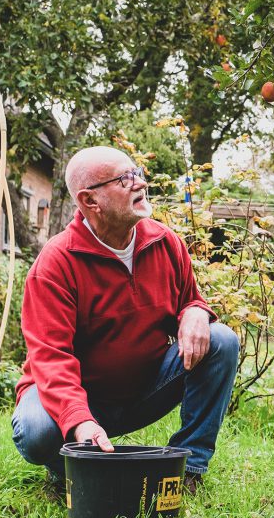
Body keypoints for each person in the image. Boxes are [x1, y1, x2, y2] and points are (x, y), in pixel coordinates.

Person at [12, 146, 239, 495]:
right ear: (90, 201)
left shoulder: (165, 243)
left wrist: (196, 310)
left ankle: (189, 469)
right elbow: (51, 357)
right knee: (36, 430)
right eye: (124, 179)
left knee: (221, 339)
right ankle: (70, 470)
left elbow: (189, 299)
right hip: (79, 398)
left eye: (137, 172)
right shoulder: (56, 265)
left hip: (143, 390)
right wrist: (79, 420)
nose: (140, 183)